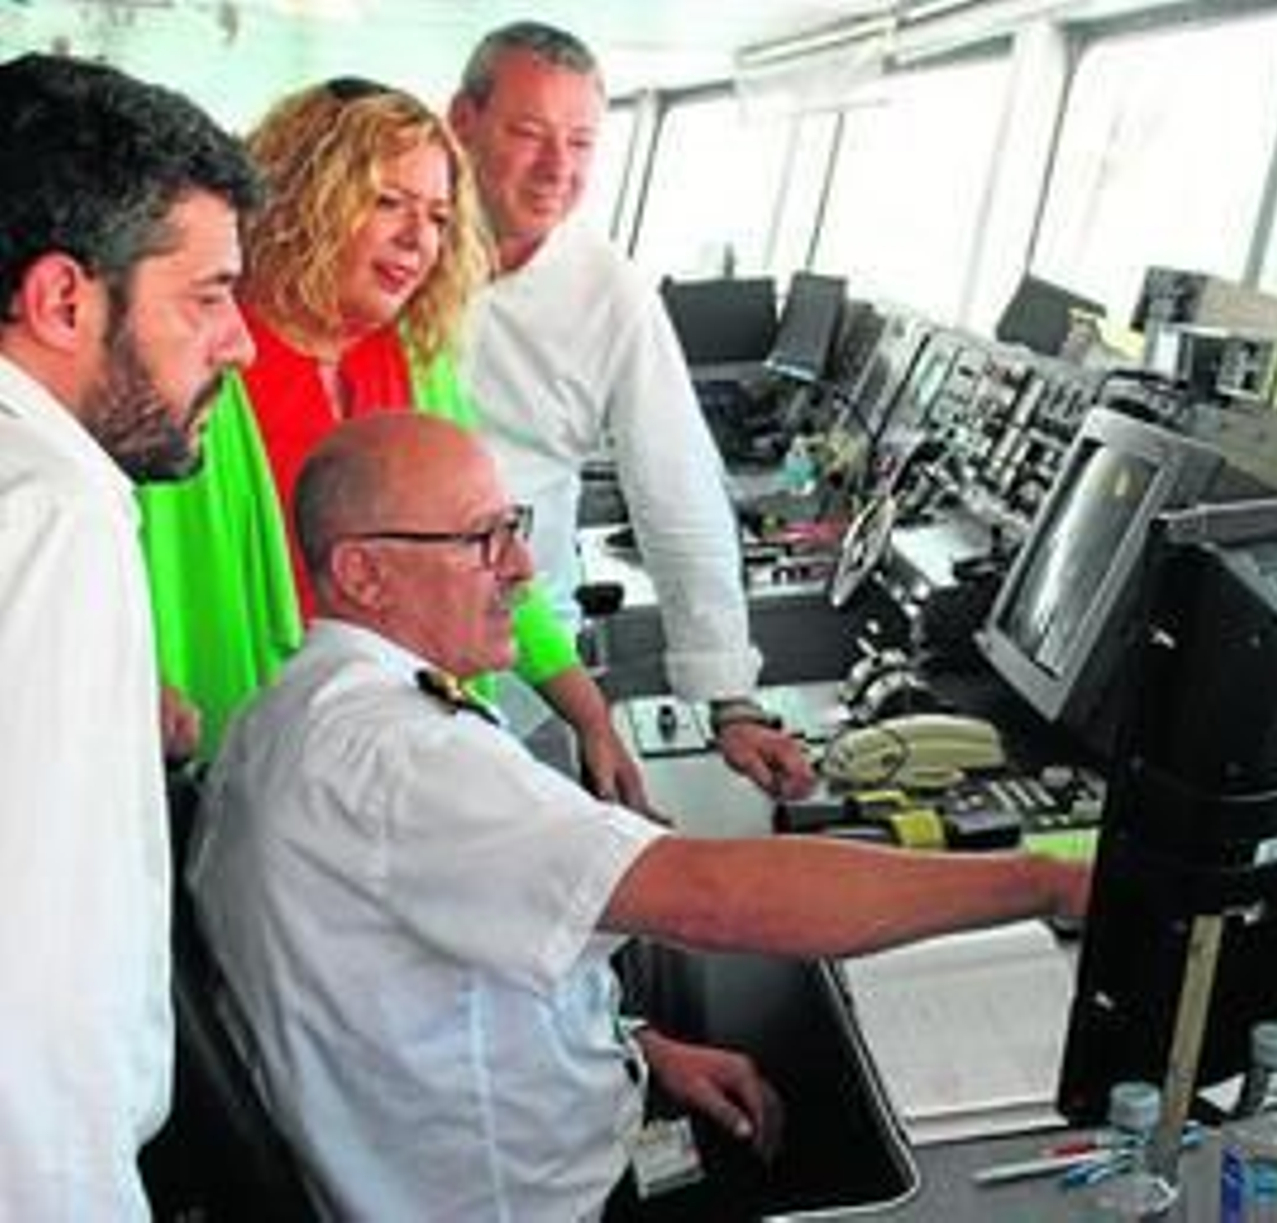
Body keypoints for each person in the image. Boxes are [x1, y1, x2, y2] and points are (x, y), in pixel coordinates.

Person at [189, 412, 1090, 1221]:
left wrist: (637, 1046)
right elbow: (716, 899)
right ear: (364, 573)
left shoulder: (292, 708)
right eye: (479, 539)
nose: (521, 567)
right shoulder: (407, 757)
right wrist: (1043, 882)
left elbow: (417, 987)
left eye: (513, 527)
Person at [138, 78, 644, 803]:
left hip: (409, 748)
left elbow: (486, 551)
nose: (418, 239)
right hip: (246, 758)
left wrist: (589, 715)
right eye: (387, 203)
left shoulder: (419, 363)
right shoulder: (204, 354)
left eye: (438, 216)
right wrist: (135, 679)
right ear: (305, 197)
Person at [0, 53, 259, 1218]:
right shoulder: (53, 513)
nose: (240, 343)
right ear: (65, 300)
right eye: (206, 296)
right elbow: (29, 1005)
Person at [449, 22, 815, 800]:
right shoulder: (395, 250)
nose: (558, 167)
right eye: (528, 133)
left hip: (524, 648)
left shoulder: (610, 292)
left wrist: (730, 698)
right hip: (370, 630)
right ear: (463, 121)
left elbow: (678, 490)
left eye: (581, 142)